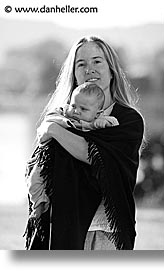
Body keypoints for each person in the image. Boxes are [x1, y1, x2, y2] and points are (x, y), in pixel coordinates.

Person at [24, 35, 144, 250]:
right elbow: (40, 163)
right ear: (74, 73)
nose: (89, 69)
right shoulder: (62, 115)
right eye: (81, 64)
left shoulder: (127, 120)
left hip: (106, 230)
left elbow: (97, 157)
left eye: (97, 61)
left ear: (111, 69)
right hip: (60, 226)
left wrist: (53, 130)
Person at [27, 82, 119, 221]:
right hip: (48, 159)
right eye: (74, 105)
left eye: (83, 108)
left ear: (97, 113)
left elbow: (113, 124)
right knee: (34, 176)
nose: (76, 111)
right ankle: (39, 203)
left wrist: (101, 122)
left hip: (73, 170)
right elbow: (49, 123)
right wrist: (64, 122)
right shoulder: (64, 114)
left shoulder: (97, 121)